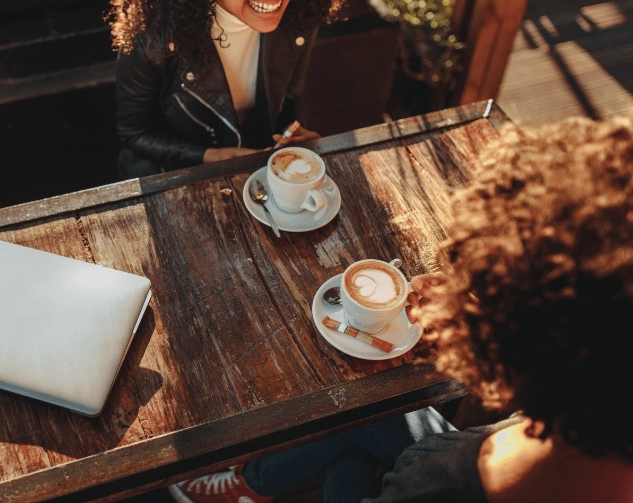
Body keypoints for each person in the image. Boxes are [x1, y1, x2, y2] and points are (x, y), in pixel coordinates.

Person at [170, 114, 633, 503]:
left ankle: (251, 485)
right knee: (360, 415)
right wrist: (475, 304)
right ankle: (254, 486)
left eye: (487, 288)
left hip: (430, 465)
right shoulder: (596, 418)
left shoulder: (436, 487)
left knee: (349, 412)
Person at [367, 115, 633, 502]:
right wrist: (484, 309)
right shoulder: (599, 410)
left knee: (346, 438)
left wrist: (486, 320)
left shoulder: (435, 487)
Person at [106, 0, 350, 178]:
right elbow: (135, 134)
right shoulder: (152, 39)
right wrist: (212, 158)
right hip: (173, 180)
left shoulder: (300, 17)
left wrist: (294, 134)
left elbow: (288, 100)